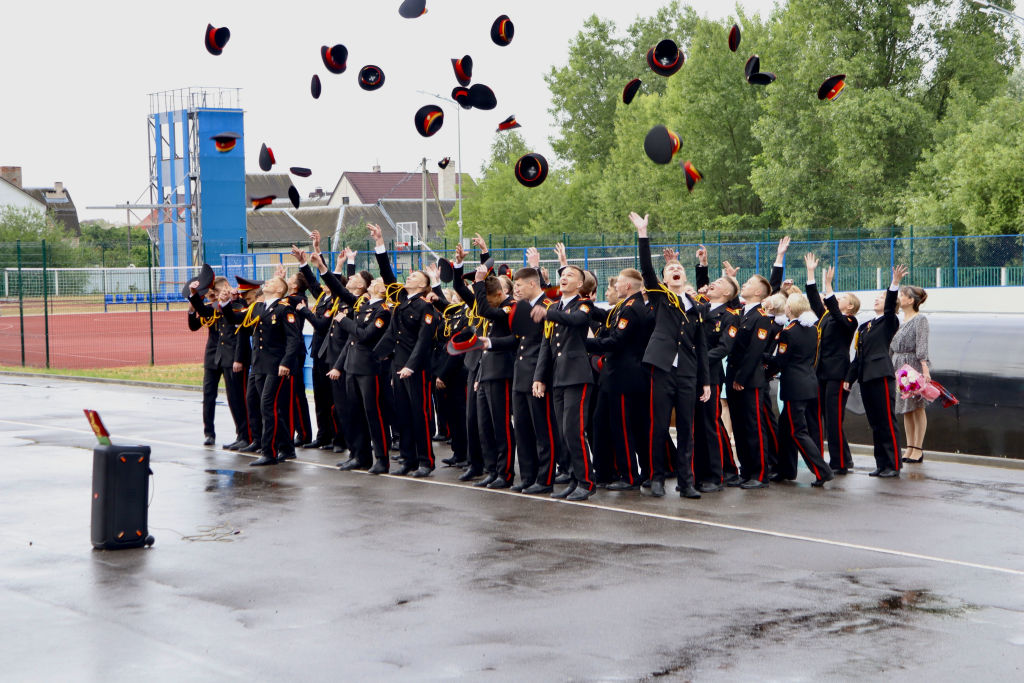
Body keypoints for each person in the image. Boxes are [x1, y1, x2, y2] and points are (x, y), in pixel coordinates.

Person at [630, 211, 711, 500]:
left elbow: (701, 346)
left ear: (684, 275)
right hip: (662, 369)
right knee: (659, 426)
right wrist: (643, 233)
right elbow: (647, 269)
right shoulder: (661, 297)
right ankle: (656, 477)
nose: (675, 269)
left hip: (688, 372)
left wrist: (705, 381)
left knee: (687, 429)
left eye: (679, 267)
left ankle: (686, 482)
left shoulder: (697, 307)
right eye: (670, 268)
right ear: (664, 278)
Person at [481, 258, 563, 494]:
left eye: (519, 284)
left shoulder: (548, 306)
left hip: (537, 375)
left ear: (532, 284)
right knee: (523, 430)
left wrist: (541, 377)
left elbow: (547, 345)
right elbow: (518, 341)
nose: (515, 289)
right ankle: (527, 476)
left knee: (542, 430)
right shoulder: (522, 308)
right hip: (520, 373)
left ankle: (545, 479)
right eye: (514, 285)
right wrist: (490, 343)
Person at [370, 223, 440, 477]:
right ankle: (408, 459)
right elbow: (388, 276)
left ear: (423, 287)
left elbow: (423, 340)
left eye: (414, 277)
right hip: (398, 365)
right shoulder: (401, 302)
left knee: (419, 415)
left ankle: (425, 461)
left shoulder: (425, 307)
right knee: (403, 414)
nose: (409, 277)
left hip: (416, 367)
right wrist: (380, 244)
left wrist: (411, 365)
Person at [532, 262, 600, 501]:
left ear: (580, 284)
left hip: (577, 375)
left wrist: (548, 313)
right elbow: (547, 346)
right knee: (563, 431)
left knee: (574, 430)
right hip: (559, 376)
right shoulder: (557, 306)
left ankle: (586, 481)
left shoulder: (583, 304)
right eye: (563, 274)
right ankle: (573, 478)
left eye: (570, 275)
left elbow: (577, 322)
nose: (564, 277)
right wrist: (540, 377)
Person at [583, 268, 651, 491]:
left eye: (618, 283)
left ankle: (629, 475)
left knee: (622, 427)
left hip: (624, 377)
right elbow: (606, 318)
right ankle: (609, 471)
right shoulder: (624, 307)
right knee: (607, 423)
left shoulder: (632, 309)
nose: (614, 287)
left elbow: (616, 341)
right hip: (616, 376)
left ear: (628, 286)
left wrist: (585, 344)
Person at [844, 265, 909, 477]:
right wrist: (849, 378)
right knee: (874, 421)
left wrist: (894, 283)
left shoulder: (890, 321)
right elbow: (858, 355)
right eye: (877, 297)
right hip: (866, 376)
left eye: (881, 298)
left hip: (881, 374)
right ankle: (881, 463)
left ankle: (893, 464)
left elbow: (890, 306)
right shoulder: (865, 326)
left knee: (886, 420)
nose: (877, 300)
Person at [804, 254, 859, 475]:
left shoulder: (849, 320)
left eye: (843, 297)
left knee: (834, 419)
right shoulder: (827, 316)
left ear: (850, 306)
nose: (838, 299)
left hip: (836, 374)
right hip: (820, 372)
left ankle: (840, 462)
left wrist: (829, 286)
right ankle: (819, 459)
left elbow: (835, 312)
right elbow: (816, 302)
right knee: (818, 417)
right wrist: (811, 274)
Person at [771, 293, 834, 487]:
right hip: (808, 383)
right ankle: (786, 469)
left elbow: (781, 361)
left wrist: (764, 361)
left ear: (790, 309)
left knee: (798, 431)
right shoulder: (812, 330)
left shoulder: (788, 331)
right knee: (785, 429)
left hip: (794, 387)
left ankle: (822, 471)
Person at [693, 245, 742, 490]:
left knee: (709, 424)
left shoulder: (729, 315)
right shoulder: (701, 308)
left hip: (710, 374)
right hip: (691, 373)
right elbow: (700, 291)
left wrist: (697, 360)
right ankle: (698, 471)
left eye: (720, 283)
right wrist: (702, 264)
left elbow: (723, 348)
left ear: (728, 293)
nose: (714, 284)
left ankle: (716, 475)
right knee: (695, 425)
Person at [247, 271, 304, 466]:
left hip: (276, 366)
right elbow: (239, 320)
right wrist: (225, 304)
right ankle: (287, 447)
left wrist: (286, 363)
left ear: (279, 290)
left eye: (272, 281)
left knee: (267, 406)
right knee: (271, 408)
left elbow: (294, 338)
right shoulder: (261, 307)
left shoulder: (284, 309)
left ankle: (269, 452)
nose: (267, 282)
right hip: (260, 364)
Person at [892, 284, 930, 463]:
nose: (899, 297)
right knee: (906, 408)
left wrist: (924, 367)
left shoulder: (920, 319)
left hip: (912, 365)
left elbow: (922, 344)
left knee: (917, 407)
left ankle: (918, 447)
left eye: (902, 295)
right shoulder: (899, 319)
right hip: (899, 364)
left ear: (911, 300)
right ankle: (909, 447)